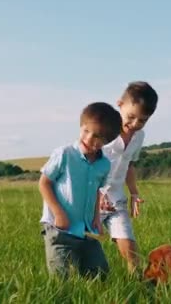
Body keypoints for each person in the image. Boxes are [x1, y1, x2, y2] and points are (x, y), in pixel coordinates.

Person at [39, 102, 122, 279]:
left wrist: (97, 219)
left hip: (86, 231)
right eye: (85, 131)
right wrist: (58, 213)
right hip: (59, 230)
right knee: (62, 278)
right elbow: (44, 183)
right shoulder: (64, 154)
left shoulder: (104, 165)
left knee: (100, 274)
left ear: (107, 141)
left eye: (97, 136)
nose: (88, 137)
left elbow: (98, 193)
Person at [99, 81, 158, 273]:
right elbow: (86, 166)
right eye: (131, 117)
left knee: (130, 247)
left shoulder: (138, 137)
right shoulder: (102, 131)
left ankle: (138, 285)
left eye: (142, 120)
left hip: (116, 199)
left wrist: (134, 193)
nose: (135, 124)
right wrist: (97, 194)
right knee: (85, 249)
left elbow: (129, 165)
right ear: (120, 105)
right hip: (91, 199)